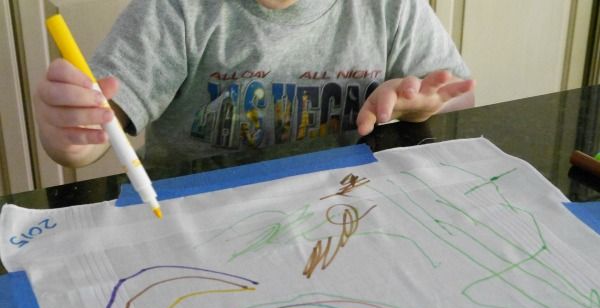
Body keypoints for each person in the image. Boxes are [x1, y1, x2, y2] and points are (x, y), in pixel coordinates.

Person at [34, 0, 475, 169]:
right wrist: (74, 134)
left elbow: (460, 99)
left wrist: (419, 105)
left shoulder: (391, 6)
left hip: (345, 207)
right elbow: (97, 124)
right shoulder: (172, 9)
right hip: (196, 218)